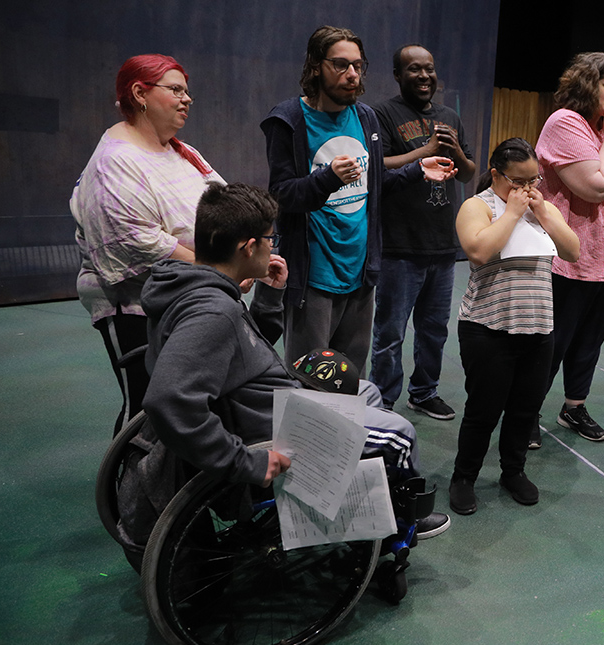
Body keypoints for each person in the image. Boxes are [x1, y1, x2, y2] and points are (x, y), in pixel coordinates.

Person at [135, 183, 447, 554]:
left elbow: (239, 354)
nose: (273, 245)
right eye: (270, 238)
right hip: (268, 428)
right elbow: (168, 399)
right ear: (248, 247)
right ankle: (398, 524)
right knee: (400, 434)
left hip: (261, 405)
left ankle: (362, 488)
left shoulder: (189, 286)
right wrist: (244, 461)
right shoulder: (212, 311)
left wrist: (268, 296)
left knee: (366, 390)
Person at [261, 26, 454, 377]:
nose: (352, 74)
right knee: (310, 382)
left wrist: (417, 170)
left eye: (358, 65)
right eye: (340, 65)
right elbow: (282, 195)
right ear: (316, 67)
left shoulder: (365, 118)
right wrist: (328, 178)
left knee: (350, 378)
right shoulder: (288, 120)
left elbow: (374, 182)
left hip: (360, 272)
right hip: (314, 274)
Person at [71, 53, 224, 434]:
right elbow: (134, 240)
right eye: (176, 90)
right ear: (140, 93)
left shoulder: (183, 152)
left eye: (187, 92)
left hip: (190, 297)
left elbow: (223, 200)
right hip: (135, 306)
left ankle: (177, 488)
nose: (187, 99)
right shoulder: (115, 161)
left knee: (189, 401)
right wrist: (214, 270)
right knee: (145, 406)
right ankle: (128, 489)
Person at [448, 139, 580, 515]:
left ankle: (513, 471)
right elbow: (478, 250)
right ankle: (463, 477)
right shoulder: (478, 206)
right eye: (518, 181)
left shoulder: (541, 207)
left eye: (534, 180)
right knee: (483, 410)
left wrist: (546, 216)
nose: (528, 189)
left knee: (525, 409)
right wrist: (511, 213)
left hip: (538, 328)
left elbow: (573, 251)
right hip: (488, 327)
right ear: (496, 175)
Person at [370, 44, 477, 421]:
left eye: (429, 69)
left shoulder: (449, 116)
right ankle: (381, 400)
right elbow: (377, 166)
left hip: (442, 247)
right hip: (400, 246)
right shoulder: (381, 113)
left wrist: (456, 153)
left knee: (434, 331)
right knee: (391, 333)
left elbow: (467, 172)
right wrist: (427, 149)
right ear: (398, 75)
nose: (424, 76)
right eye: (414, 70)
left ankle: (424, 392)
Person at [535, 51, 604, 443]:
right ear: (585, 86)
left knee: (590, 338)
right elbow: (597, 187)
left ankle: (573, 407)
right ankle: (526, 412)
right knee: (554, 341)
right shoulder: (566, 123)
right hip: (571, 256)